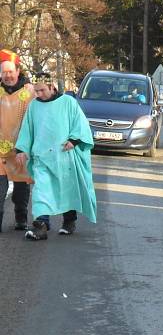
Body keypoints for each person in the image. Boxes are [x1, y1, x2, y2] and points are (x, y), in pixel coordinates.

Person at [14, 74, 96, 240]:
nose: (39, 94)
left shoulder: (68, 102)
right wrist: (21, 149)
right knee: (41, 192)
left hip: (64, 157)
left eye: (42, 90)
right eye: (36, 91)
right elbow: (27, 129)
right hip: (41, 158)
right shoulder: (34, 106)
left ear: (52, 87)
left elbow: (80, 124)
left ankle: (69, 221)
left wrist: (73, 140)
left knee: (66, 191)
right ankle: (41, 226)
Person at [0, 49, 35, 232]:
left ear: (18, 71)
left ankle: (21, 218)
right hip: (0, 149)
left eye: (10, 72)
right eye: (4, 72)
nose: (8, 76)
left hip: (21, 148)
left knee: (21, 189)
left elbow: (36, 119)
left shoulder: (28, 92)